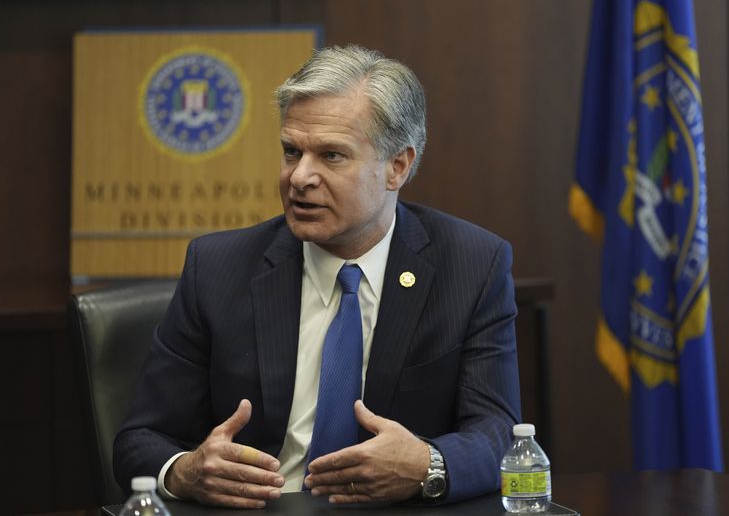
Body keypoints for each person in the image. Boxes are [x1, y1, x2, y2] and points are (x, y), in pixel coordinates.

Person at [114, 44, 521, 509]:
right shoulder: (217, 266)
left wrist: (428, 464)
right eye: (292, 151)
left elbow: (501, 436)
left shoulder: (471, 265)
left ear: (397, 166)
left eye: (331, 156)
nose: (299, 177)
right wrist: (184, 471)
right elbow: (138, 441)